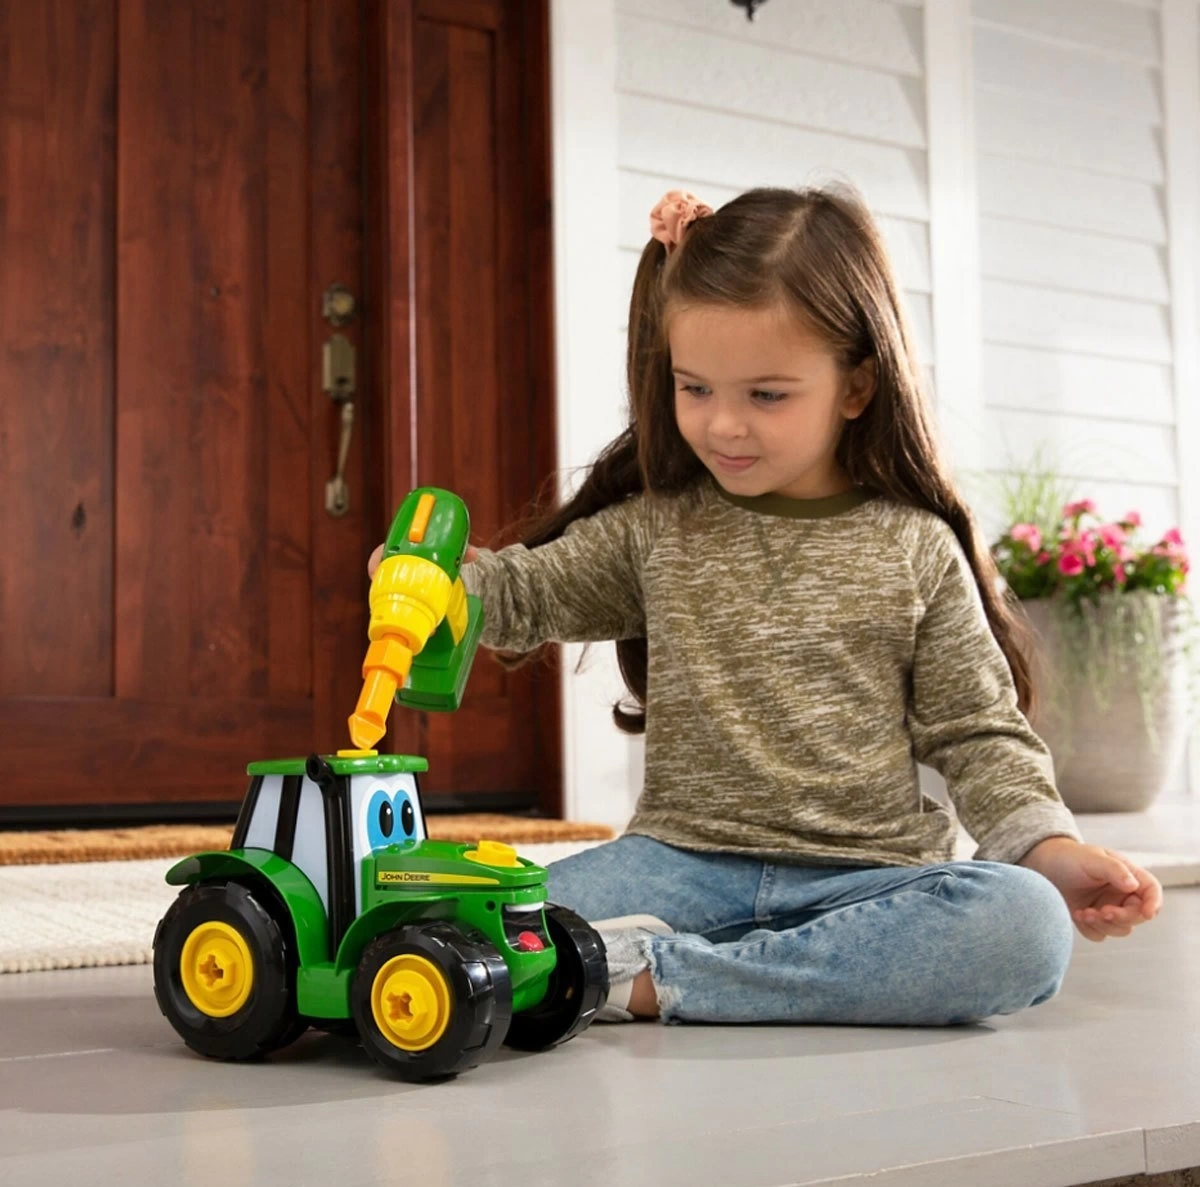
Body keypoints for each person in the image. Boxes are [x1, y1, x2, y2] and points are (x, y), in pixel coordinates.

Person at [369, 185, 1163, 1027]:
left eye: (766, 395)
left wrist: (1049, 849)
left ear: (856, 386)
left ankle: (657, 980)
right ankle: (723, 971)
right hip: (676, 868)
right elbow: (526, 591)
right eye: (695, 388)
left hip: (872, 881)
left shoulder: (916, 547)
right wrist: (436, 587)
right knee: (456, 931)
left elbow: (978, 734)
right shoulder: (659, 528)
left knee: (1024, 926)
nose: (723, 426)